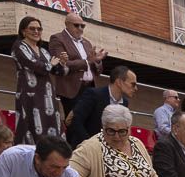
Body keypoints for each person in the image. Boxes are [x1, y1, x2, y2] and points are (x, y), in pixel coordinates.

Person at [69, 105, 181, 177]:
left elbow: (151, 175)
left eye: (122, 131)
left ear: (129, 129)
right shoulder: (90, 147)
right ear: (103, 127)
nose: (117, 137)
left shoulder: (137, 143)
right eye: (111, 131)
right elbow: (70, 173)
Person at [10, 16, 68, 145]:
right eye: (32, 28)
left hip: (48, 95)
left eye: (39, 29)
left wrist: (62, 63)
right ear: (23, 31)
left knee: (51, 126)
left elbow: (57, 71)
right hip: (29, 94)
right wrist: (51, 64)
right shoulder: (19, 46)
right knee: (30, 125)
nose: (36, 31)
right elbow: (36, 66)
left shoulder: (43, 51)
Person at [46, 12, 105, 117]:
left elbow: (98, 70)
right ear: (67, 24)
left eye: (83, 26)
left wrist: (97, 61)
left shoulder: (87, 43)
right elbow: (61, 63)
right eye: (76, 25)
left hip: (90, 88)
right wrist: (87, 61)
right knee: (74, 122)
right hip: (72, 90)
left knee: (92, 122)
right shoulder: (57, 39)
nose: (80, 28)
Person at [67, 64, 136, 148]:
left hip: (107, 150)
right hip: (83, 147)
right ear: (119, 82)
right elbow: (76, 121)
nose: (136, 88)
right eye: (133, 84)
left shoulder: (124, 103)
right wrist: (90, 144)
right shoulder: (94, 94)